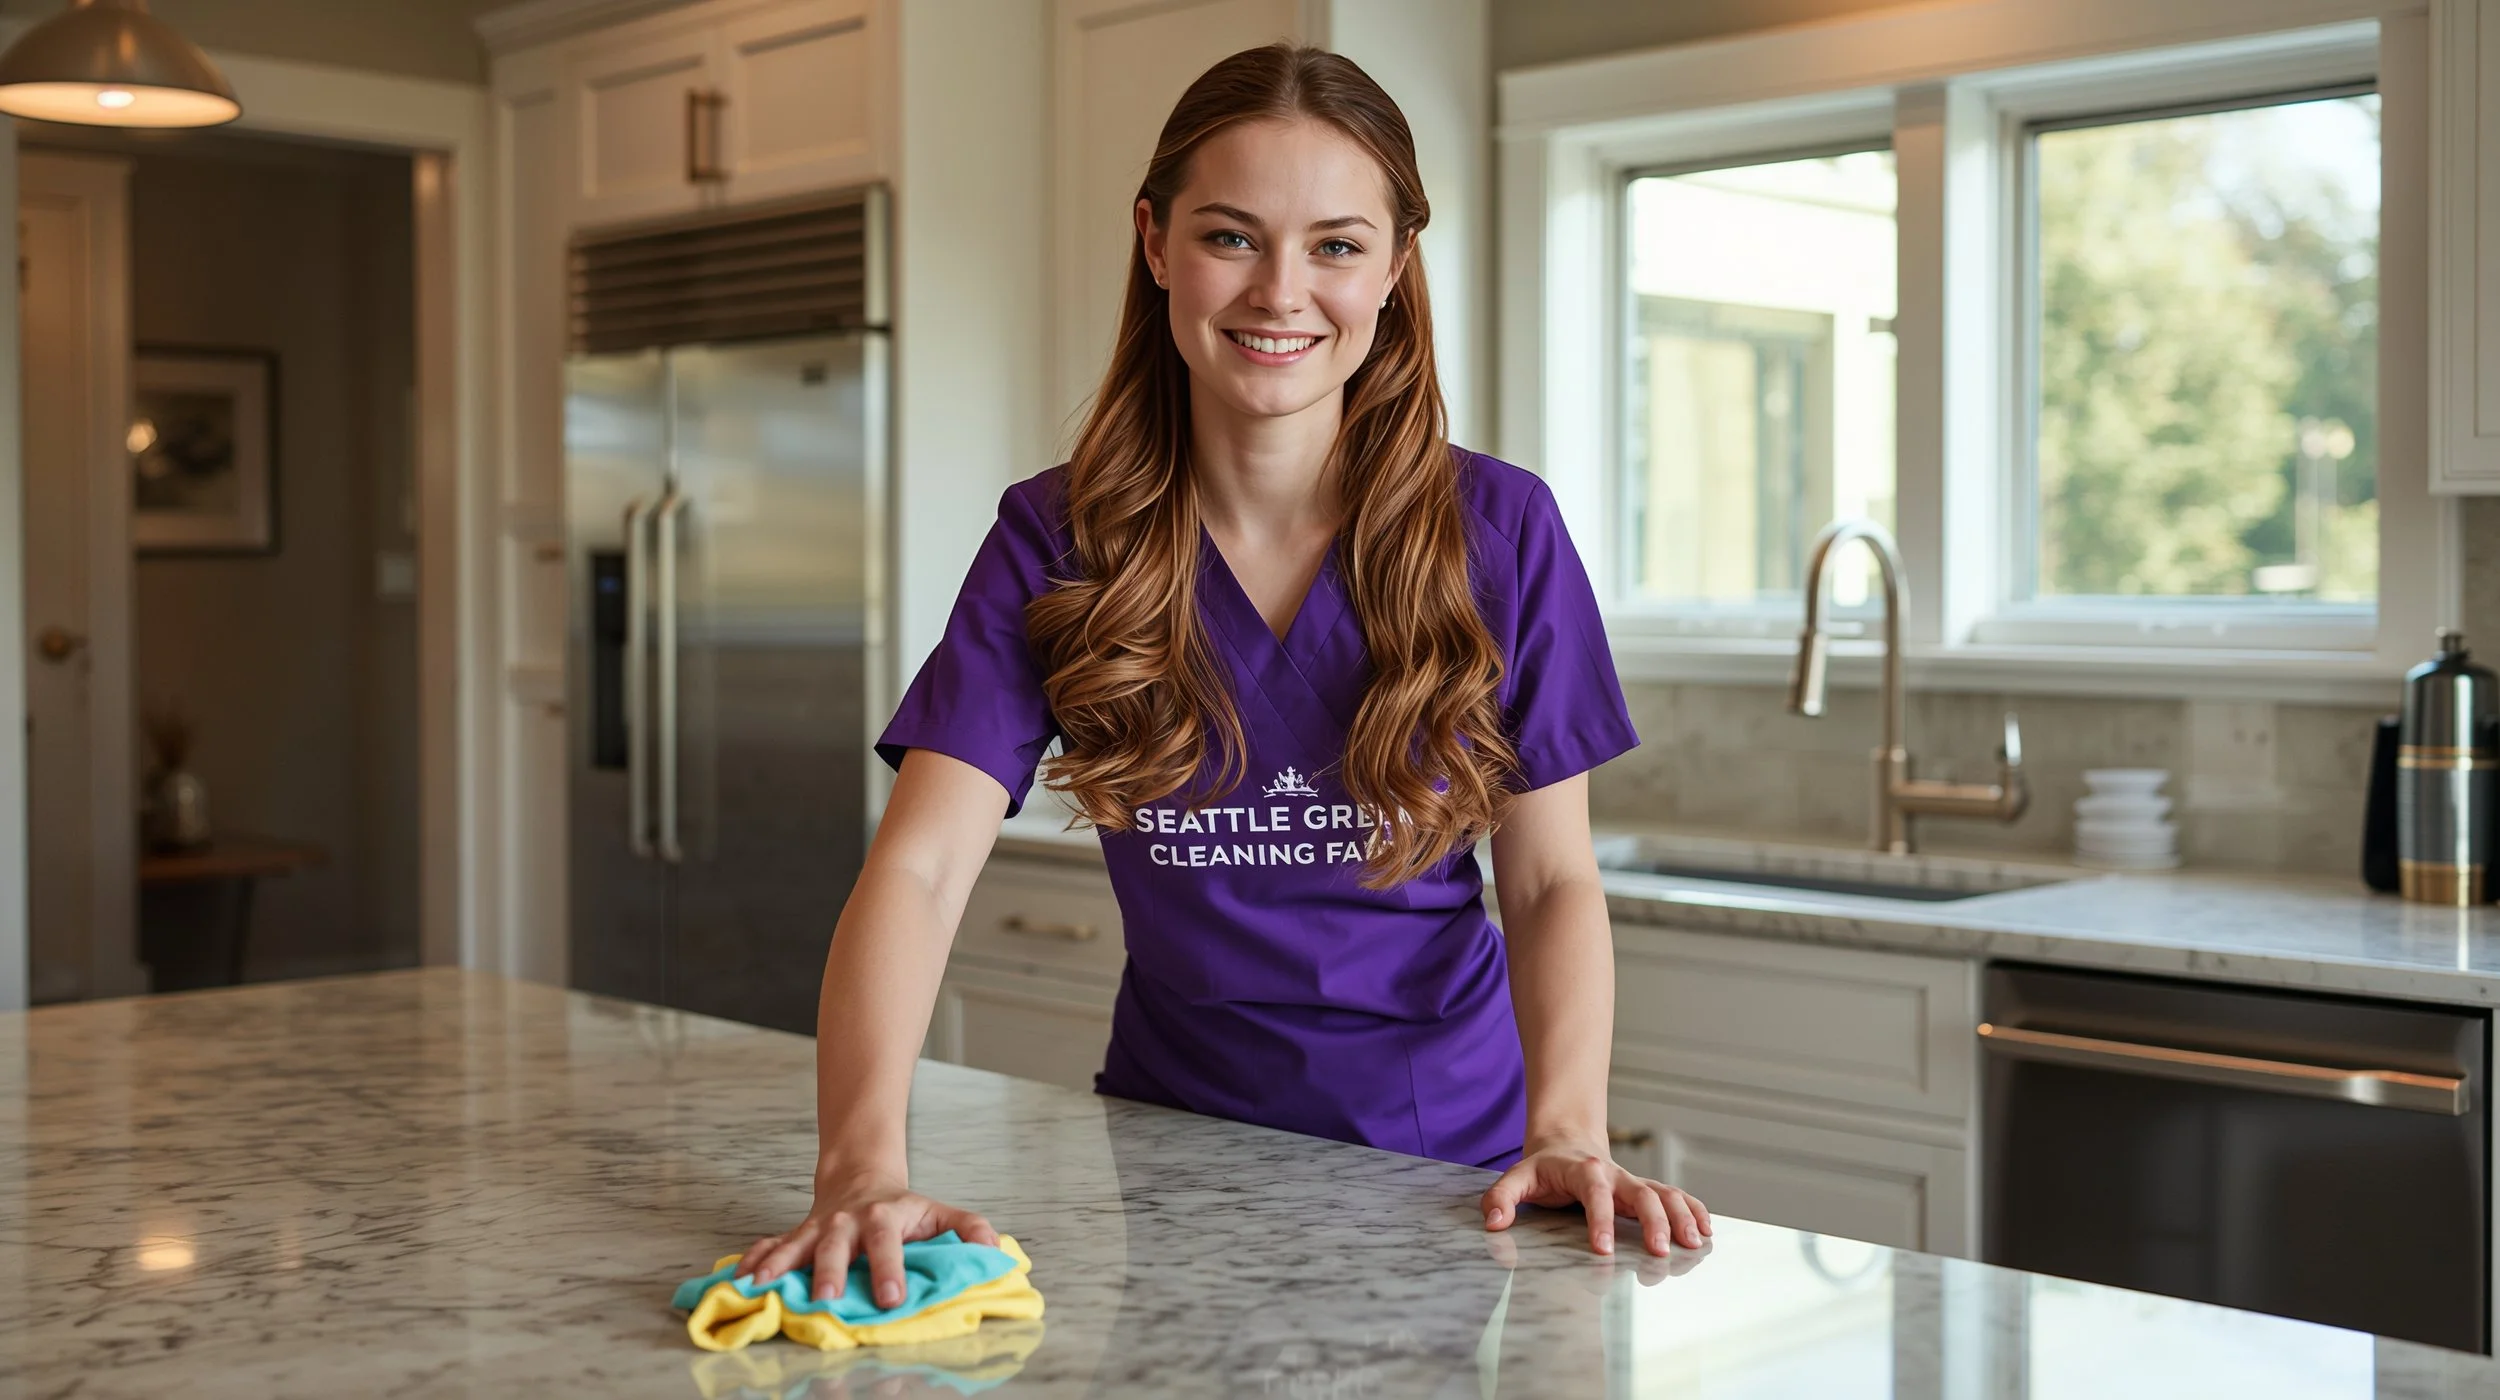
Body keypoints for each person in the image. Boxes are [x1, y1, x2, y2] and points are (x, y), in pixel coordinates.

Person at [738, 41, 1710, 1313]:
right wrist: (859, 1165)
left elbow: (1548, 877)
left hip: (1456, 1164)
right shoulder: (1056, 538)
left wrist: (1570, 1129)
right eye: (1232, 236)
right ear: (1154, 243)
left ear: (1397, 265)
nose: (1282, 291)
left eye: (1337, 245)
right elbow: (918, 869)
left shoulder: (1502, 530)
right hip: (1174, 1146)